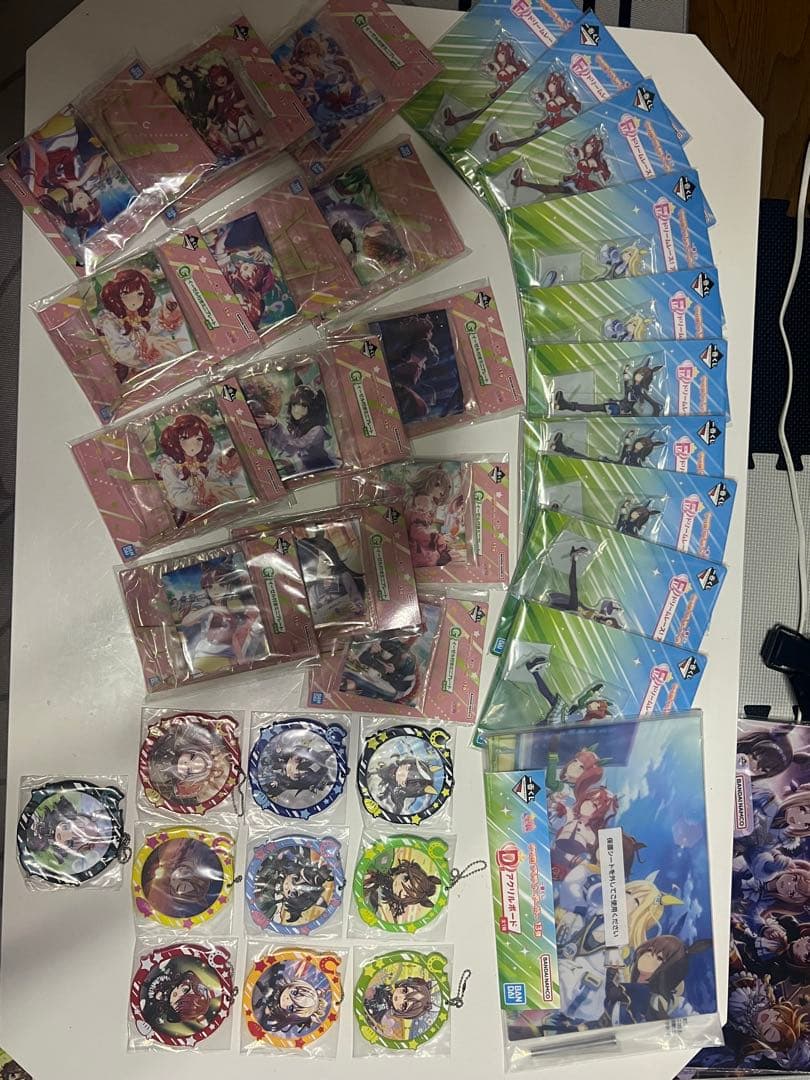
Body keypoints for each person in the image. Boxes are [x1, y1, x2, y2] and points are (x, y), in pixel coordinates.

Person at [95, 266, 192, 377]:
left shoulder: (137, 316)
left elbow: (148, 329)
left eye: (140, 294)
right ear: (116, 296)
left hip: (143, 367)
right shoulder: (110, 321)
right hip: (121, 371)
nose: (134, 301)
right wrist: (149, 346)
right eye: (125, 294)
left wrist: (166, 317)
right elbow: (121, 352)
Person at [155, 412, 250, 526]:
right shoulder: (170, 467)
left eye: (199, 439)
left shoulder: (199, 461)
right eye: (185, 438)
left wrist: (222, 468)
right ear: (175, 440)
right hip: (192, 519)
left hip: (216, 512)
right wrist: (200, 493)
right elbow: (178, 498)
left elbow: (211, 475)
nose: (193, 446)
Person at [175, 559, 265, 675]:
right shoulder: (208, 611)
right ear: (206, 589)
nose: (216, 591)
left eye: (221, 586)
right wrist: (210, 609)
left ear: (228, 587)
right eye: (211, 587)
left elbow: (248, 629)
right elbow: (185, 621)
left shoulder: (237, 608)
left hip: (228, 655)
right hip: (204, 655)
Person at [246, 376, 339, 478]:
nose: (297, 410)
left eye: (304, 405)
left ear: (312, 408)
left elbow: (295, 446)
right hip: (305, 470)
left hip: (322, 468)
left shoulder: (317, 430)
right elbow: (284, 446)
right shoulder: (297, 427)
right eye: (295, 404)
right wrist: (268, 430)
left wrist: (275, 426)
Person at [148, 722, 230, 806]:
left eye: (188, 770)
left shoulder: (172, 783)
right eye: (192, 756)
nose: (186, 763)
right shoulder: (177, 739)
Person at [544, 545, 624, 628]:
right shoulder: (602, 614)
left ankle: (574, 558)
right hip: (575, 605)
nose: (603, 619)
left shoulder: (596, 623)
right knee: (574, 589)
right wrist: (616, 608)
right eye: (607, 619)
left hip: (573, 609)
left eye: (605, 622)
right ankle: (573, 558)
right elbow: (606, 603)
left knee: (573, 589)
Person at [253, 844, 333, 925]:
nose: (290, 885)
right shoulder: (296, 856)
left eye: (292, 893)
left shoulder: (271, 901)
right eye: (296, 879)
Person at [297, 533, 366, 625]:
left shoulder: (344, 577)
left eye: (326, 556)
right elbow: (313, 614)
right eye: (319, 558)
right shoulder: (313, 590)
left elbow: (357, 598)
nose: (325, 561)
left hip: (351, 620)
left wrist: (357, 607)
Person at [252, 960, 329, 1034]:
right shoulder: (280, 980)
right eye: (294, 993)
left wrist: (266, 1013)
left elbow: (266, 1025)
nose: (287, 999)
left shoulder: (274, 1012)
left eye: (291, 1007)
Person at [258, 735, 335, 802]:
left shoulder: (279, 786)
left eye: (298, 775)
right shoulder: (278, 751)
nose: (294, 770)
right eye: (297, 760)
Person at [364, 856, 441, 921]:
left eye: (407, 892)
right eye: (406, 878)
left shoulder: (386, 910)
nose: (400, 884)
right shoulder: (386, 864)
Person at [143, 965, 214, 1029]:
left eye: (179, 1003)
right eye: (185, 990)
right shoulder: (170, 975)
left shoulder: (155, 1008)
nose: (178, 994)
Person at [371, 757, 439, 816]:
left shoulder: (398, 792)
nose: (401, 774)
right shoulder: (392, 767)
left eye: (404, 781)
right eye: (407, 768)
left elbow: (398, 807)